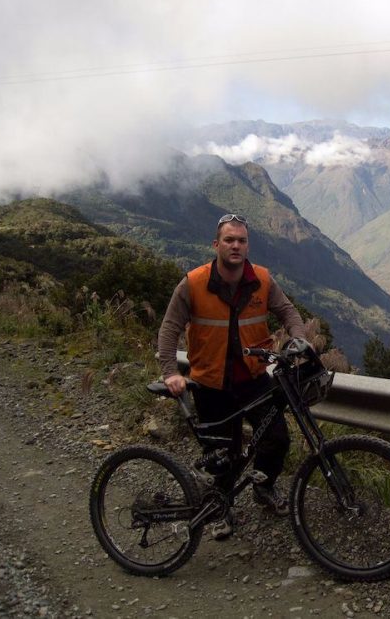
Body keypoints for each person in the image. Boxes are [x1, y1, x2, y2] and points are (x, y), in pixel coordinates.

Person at [157, 213, 305, 539]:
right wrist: (170, 372)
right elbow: (169, 328)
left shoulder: (262, 280)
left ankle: (263, 487)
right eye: (229, 240)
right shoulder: (194, 283)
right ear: (216, 245)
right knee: (222, 459)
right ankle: (219, 509)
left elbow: (288, 311)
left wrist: (298, 338)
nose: (235, 245)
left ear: (248, 245)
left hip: (253, 380)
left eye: (241, 240)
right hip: (211, 384)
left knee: (277, 439)